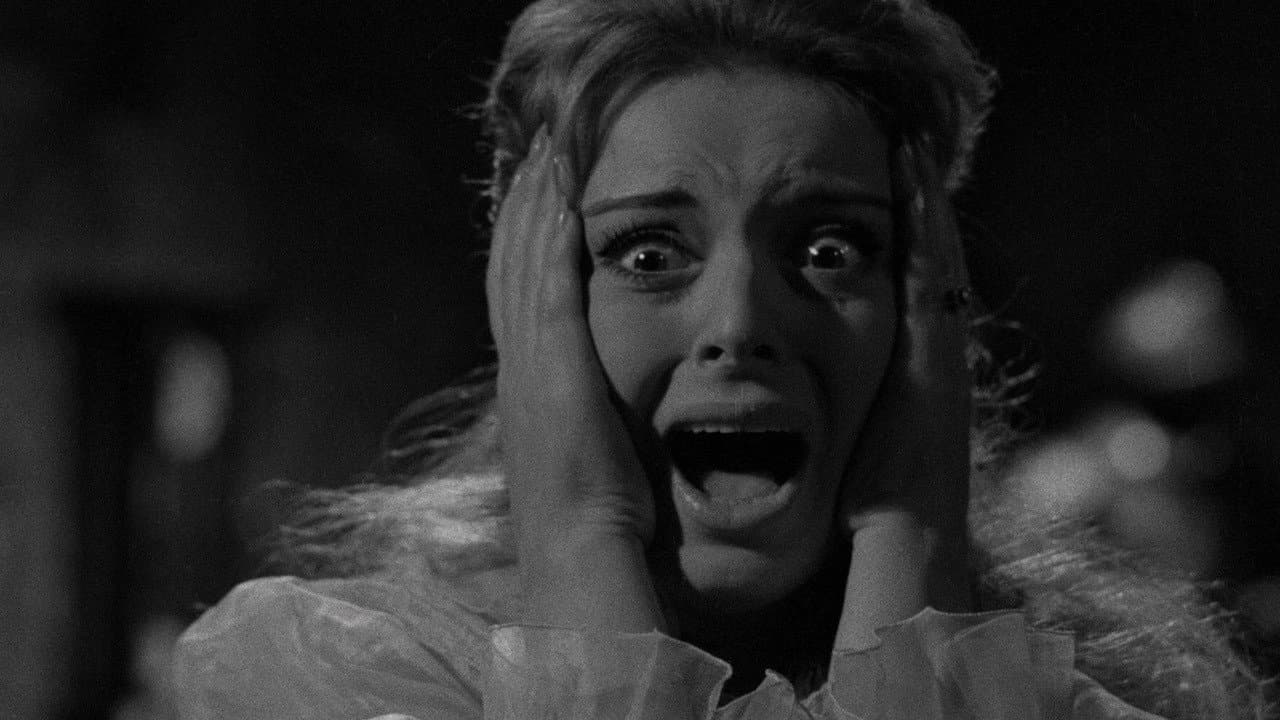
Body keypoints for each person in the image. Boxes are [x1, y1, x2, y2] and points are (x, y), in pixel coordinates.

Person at [172, 0, 1271, 718]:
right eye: (649, 252)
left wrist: (914, 548)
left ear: (926, 293)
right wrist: (579, 539)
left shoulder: (1079, 699)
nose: (741, 322)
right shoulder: (332, 677)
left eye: (828, 249)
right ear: (533, 285)